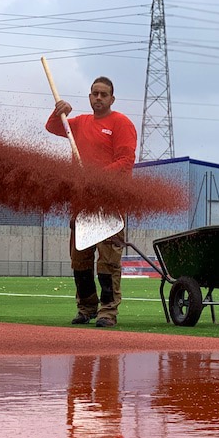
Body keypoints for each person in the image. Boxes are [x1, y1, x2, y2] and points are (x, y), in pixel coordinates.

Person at [46, 76, 138, 327]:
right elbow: (53, 127)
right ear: (89, 97)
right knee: (80, 261)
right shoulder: (80, 123)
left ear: (111, 99)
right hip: (82, 204)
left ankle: (108, 312)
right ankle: (85, 308)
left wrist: (97, 178)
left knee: (107, 262)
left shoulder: (121, 123)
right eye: (94, 93)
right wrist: (59, 112)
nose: (98, 97)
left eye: (103, 94)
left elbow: (125, 161)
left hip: (109, 205)